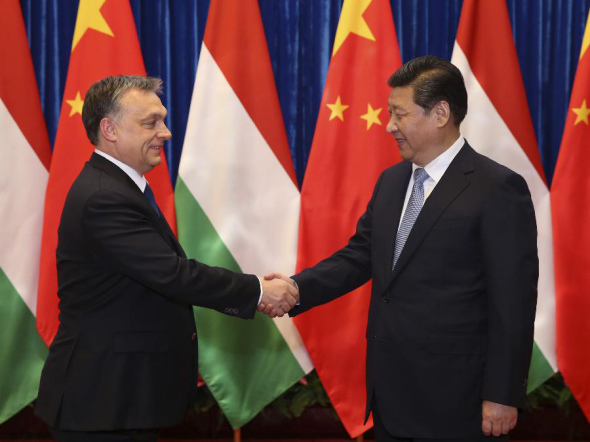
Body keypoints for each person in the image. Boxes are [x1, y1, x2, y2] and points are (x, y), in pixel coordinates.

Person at [261, 56, 538, 441]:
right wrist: (296, 288)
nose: (389, 126)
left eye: (399, 114)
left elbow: (514, 302)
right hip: (390, 395)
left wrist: (503, 394)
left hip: (459, 400)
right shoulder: (392, 181)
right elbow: (359, 256)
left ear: (440, 113)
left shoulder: (497, 188)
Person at [35, 75, 298, 441]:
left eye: (162, 119)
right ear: (109, 129)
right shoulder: (104, 197)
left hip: (119, 398)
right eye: (150, 123)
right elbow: (174, 275)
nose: (166, 132)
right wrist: (257, 290)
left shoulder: (120, 187)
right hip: (102, 401)